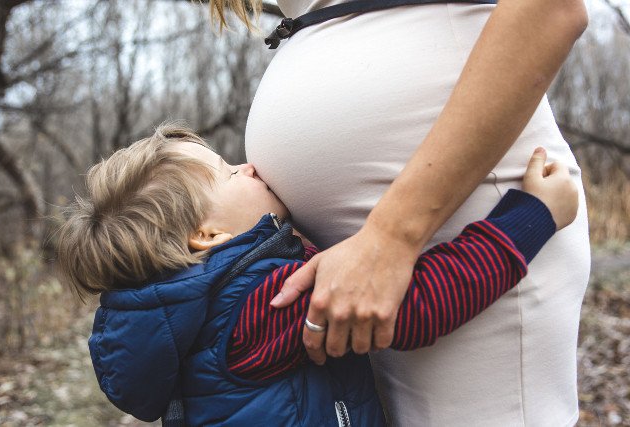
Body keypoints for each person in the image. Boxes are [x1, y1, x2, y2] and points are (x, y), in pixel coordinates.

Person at [209, 0, 592, 424]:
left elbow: (551, 8)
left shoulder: (219, 318)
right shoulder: (244, 313)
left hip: (456, 248)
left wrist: (390, 236)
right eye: (224, 174)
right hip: (370, 283)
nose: (241, 167)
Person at [57, 124, 577, 425]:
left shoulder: (201, 311)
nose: (249, 167)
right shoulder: (260, 304)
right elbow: (413, 304)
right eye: (227, 170)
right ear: (206, 235)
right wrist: (532, 217)